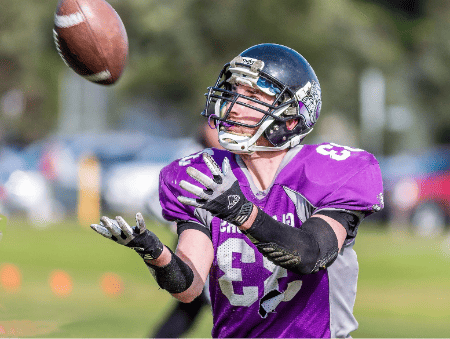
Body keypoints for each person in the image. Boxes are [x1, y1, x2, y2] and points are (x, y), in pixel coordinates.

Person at [91, 43, 384, 339]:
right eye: (235, 92)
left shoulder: (330, 172)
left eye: (253, 95)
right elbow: (189, 287)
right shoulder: (205, 173)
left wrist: (243, 212)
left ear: (292, 117)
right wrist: (157, 255)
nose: (234, 105)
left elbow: (309, 255)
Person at [145, 121, 220, 339]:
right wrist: (182, 221)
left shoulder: (234, 158)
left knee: (189, 309)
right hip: (201, 244)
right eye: (213, 124)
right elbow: (153, 201)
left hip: (225, 246)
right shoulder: (192, 156)